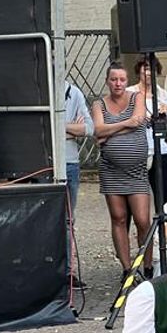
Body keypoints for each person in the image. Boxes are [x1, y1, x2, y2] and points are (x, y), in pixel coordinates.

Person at [93, 62, 151, 278]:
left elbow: (138, 122)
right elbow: (98, 129)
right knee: (118, 217)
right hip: (111, 171)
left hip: (136, 171)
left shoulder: (137, 98)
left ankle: (147, 265)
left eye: (122, 79)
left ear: (127, 81)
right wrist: (125, 124)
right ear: (108, 81)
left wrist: (107, 135)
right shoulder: (99, 104)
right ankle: (127, 269)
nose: (118, 83)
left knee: (143, 220)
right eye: (113, 79)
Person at [127, 56, 167, 208]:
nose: (148, 73)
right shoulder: (129, 93)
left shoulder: (162, 94)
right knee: (137, 195)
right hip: (136, 149)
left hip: (160, 149)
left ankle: (164, 227)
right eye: (145, 68)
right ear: (139, 70)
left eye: (152, 69)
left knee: (163, 193)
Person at [63, 82, 94, 289]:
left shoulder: (73, 93)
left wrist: (59, 126)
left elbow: (89, 128)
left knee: (68, 220)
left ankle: (68, 272)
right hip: (44, 162)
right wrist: (71, 129)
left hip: (69, 162)